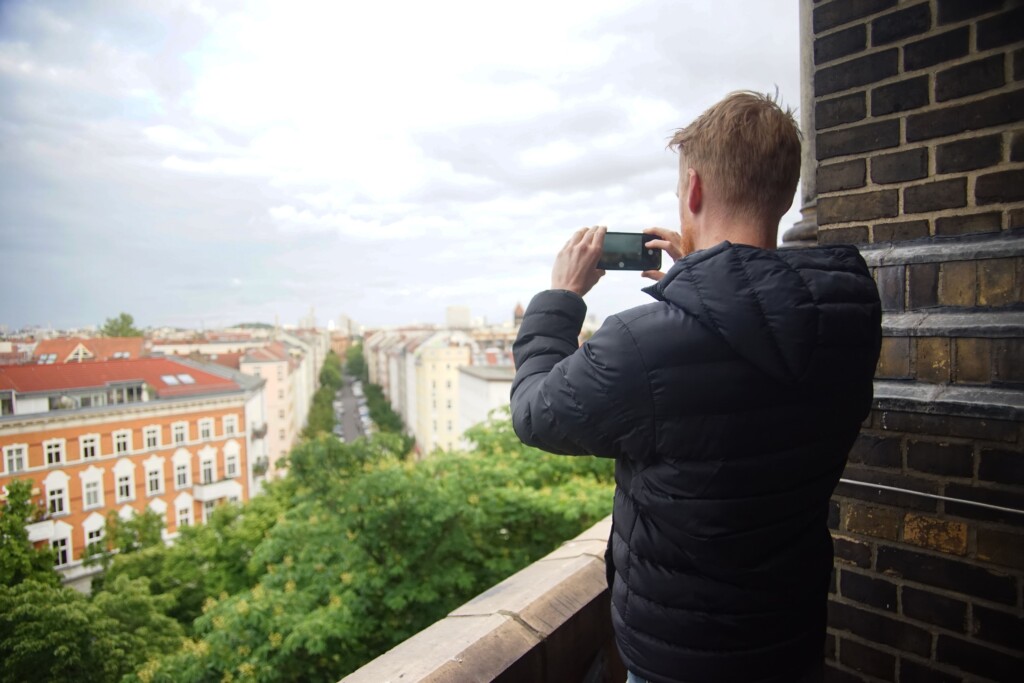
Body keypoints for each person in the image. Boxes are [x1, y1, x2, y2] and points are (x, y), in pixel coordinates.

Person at [509, 91, 881, 683]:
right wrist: (702, 277)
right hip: (790, 635)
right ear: (784, 196)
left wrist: (559, 299)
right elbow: (754, 347)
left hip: (681, 656)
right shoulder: (849, 317)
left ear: (694, 190)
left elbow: (534, 413)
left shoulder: (642, 343)